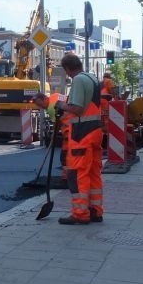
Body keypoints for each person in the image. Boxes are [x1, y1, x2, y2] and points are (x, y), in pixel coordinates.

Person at [33, 53, 103, 225]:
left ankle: (80, 213)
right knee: (93, 173)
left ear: (67, 69)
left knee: (77, 174)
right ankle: (95, 210)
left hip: (81, 134)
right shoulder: (92, 78)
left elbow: (77, 109)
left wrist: (61, 105)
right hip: (95, 132)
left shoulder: (79, 80)